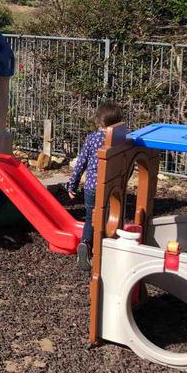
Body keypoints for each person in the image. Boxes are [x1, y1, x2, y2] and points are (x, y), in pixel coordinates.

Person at [67, 101, 123, 271]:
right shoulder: (119, 140)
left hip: (91, 186)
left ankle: (85, 244)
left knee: (91, 218)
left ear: (98, 122)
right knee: (108, 216)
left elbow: (81, 163)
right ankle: (104, 250)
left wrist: (72, 185)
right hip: (110, 186)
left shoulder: (92, 139)